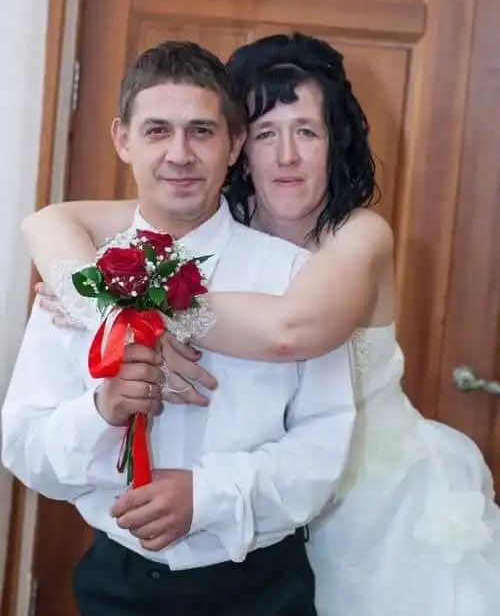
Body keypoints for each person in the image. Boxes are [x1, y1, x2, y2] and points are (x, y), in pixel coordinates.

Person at [16, 32, 500, 616]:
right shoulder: (186, 226)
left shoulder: (354, 238)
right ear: (242, 145)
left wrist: (129, 304)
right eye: (267, 133)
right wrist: (94, 300)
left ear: (335, 140)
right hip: (184, 550)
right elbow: (49, 221)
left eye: (307, 132)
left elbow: (288, 331)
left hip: (370, 504)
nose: (286, 155)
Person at [1, 40, 358, 616]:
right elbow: (24, 447)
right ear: (123, 139)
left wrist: (206, 495)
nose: (180, 154)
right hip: (118, 583)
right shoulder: (82, 283)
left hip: (264, 590)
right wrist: (102, 410)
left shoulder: (295, 277)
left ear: (233, 143)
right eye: (157, 131)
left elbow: (323, 449)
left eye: (201, 131)